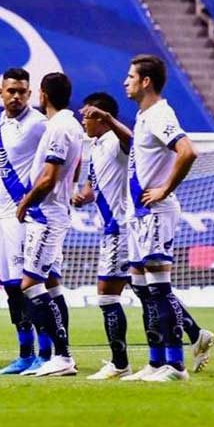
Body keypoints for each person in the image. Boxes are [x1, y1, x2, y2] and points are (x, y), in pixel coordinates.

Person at [118, 56, 213, 382]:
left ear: (146, 82)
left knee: (159, 290)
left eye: (131, 76)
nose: (125, 82)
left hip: (156, 211)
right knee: (144, 290)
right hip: (140, 214)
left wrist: (164, 189)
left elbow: (188, 151)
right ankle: (156, 362)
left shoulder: (160, 114)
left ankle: (176, 366)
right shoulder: (144, 116)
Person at [14, 72, 85, 378]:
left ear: (42, 95)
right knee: (52, 284)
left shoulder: (58, 127)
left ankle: (64, 355)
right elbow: (76, 164)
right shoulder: (72, 125)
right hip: (54, 212)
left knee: (29, 285)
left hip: (46, 217)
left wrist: (26, 201)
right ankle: (59, 355)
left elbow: (48, 177)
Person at [0, 68, 51, 375]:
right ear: (0, 91)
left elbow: (67, 157)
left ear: (30, 94)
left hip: (26, 216)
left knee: (33, 286)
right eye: (11, 90)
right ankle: (25, 354)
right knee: (12, 287)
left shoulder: (39, 124)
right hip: (2, 216)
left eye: (22, 91)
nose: (16, 96)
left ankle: (48, 352)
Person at [73, 92, 133, 379]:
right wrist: (82, 197)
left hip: (119, 229)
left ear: (101, 117)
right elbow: (93, 185)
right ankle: (196, 333)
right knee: (150, 291)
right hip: (111, 228)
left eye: (87, 115)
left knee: (107, 297)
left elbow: (131, 142)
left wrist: (110, 119)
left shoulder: (115, 141)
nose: (83, 120)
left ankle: (119, 363)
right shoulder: (95, 146)